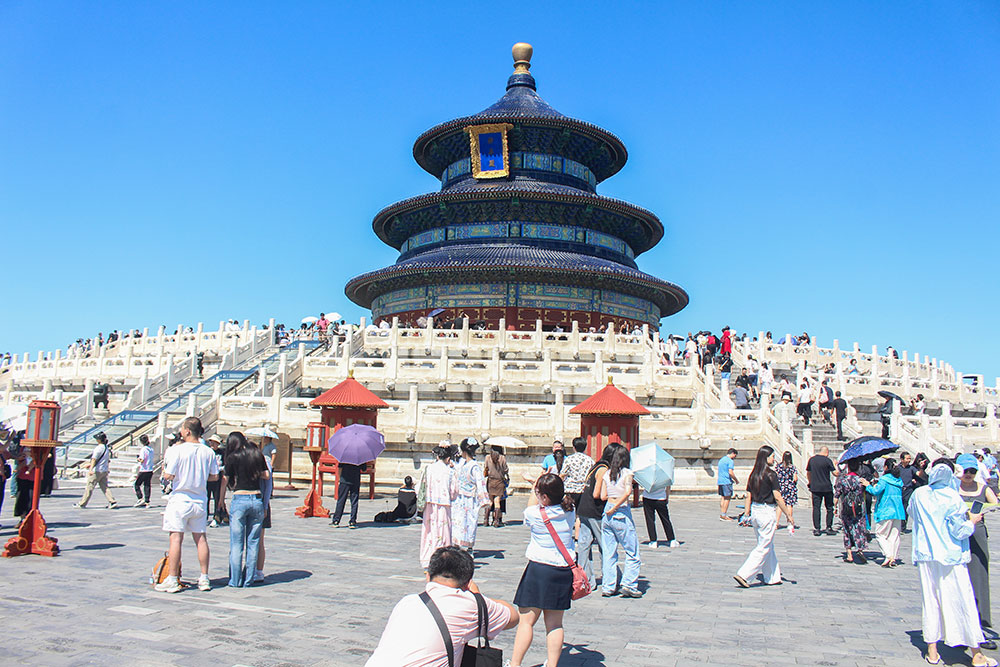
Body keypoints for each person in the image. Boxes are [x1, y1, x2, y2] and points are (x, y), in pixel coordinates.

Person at [366, 546, 517, 667]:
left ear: (428, 576)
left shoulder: (407, 601)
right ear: (467, 582)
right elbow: (513, 616)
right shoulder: (468, 605)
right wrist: (477, 596)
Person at [909, 461, 995, 666]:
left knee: (930, 601)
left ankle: (932, 652)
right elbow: (960, 531)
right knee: (962, 600)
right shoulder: (953, 498)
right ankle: (977, 654)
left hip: (926, 555)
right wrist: (972, 521)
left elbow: (912, 514)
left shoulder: (919, 494)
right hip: (951, 556)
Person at [509, 473, 577, 667]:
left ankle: (515, 664)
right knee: (555, 624)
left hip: (539, 570)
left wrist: (533, 486)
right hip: (562, 571)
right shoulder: (570, 510)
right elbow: (557, 499)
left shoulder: (535, 514)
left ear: (544, 497)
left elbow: (530, 507)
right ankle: (552, 665)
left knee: (527, 621)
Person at [155, 417, 219, 594]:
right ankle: (204, 577)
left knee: (176, 538)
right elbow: (214, 476)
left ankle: (173, 579)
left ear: (188, 431)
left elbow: (168, 475)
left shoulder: (178, 450)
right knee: (201, 539)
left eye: (183, 429)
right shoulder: (208, 452)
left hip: (181, 498)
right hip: (200, 500)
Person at [734, 445, 794, 587]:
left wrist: (747, 513)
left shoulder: (754, 474)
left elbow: (748, 495)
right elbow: (778, 497)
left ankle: (772, 577)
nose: (774, 459)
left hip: (756, 511)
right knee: (763, 546)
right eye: (772, 456)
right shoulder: (770, 474)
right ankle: (744, 574)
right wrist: (788, 514)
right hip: (767, 512)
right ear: (766, 458)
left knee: (768, 545)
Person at [957, 453, 999, 640]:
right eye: (966, 471)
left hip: (977, 533)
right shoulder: (952, 488)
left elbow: (995, 503)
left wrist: (981, 510)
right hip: (957, 534)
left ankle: (981, 618)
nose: (969, 475)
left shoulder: (983, 488)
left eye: (973, 471)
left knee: (979, 574)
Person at [223, 432, 269, 588]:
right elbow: (266, 475)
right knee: (253, 543)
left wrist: (220, 502)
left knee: (236, 544)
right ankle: (249, 579)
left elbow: (226, 479)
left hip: (240, 498)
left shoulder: (232, 457)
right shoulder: (256, 454)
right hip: (256, 499)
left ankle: (234, 580)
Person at [599, 443, 642, 598]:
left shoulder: (607, 474)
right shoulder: (627, 473)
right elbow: (627, 492)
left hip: (607, 512)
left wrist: (610, 506)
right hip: (620, 511)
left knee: (609, 552)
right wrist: (616, 506)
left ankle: (608, 586)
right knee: (632, 551)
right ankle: (629, 584)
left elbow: (603, 496)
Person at [576, 447, 612, 591]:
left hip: (583, 509)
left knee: (584, 545)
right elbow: (598, 494)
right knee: (605, 546)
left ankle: (585, 580)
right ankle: (609, 578)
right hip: (594, 511)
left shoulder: (596, 466)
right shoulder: (603, 469)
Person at [419, 445, 459, 570]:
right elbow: (454, 492)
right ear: (448, 458)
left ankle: (427, 558)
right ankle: (443, 559)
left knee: (429, 531)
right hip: (443, 505)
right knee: (444, 532)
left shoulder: (428, 468)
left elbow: (421, 487)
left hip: (430, 505)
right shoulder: (450, 471)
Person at [864, 457, 906, 567]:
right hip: (898, 511)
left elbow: (876, 491)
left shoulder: (885, 479)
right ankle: (893, 557)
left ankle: (888, 555)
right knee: (894, 535)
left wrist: (867, 485)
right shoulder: (899, 481)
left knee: (880, 534)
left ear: (886, 467)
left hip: (886, 510)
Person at [451, 438, 488, 553]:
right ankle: (457, 546)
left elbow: (480, 483)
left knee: (469, 524)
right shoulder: (462, 464)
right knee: (458, 523)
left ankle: (468, 548)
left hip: (469, 500)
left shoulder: (474, 466)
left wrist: (483, 499)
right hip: (459, 500)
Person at [835, 458, 869, 563]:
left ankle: (849, 554)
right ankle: (860, 549)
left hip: (846, 506)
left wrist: (835, 507)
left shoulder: (843, 480)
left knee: (846, 529)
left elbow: (837, 494)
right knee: (859, 527)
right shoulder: (861, 480)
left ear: (848, 467)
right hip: (859, 507)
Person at [75, 431, 118, 509]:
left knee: (89, 487)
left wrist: (90, 469)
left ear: (98, 440)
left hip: (97, 471)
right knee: (105, 487)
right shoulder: (106, 448)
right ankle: (112, 501)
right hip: (104, 470)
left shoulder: (98, 448)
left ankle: (82, 503)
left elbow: (94, 459)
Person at [807, 446, 838, 536]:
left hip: (815, 487)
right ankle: (829, 527)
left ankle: (817, 528)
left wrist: (810, 482)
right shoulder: (827, 460)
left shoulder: (812, 460)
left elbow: (808, 472)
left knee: (816, 507)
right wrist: (835, 465)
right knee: (829, 507)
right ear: (827, 452)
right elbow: (835, 473)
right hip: (826, 487)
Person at [640, 479, 677, 549]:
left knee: (650, 520)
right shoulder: (665, 473)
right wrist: (667, 496)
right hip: (661, 497)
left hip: (648, 497)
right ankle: (671, 540)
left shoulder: (647, 472)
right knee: (665, 519)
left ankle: (653, 541)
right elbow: (668, 486)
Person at [560, 437, 594, 509]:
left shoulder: (569, 459)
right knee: (579, 513)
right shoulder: (590, 460)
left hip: (570, 488)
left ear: (574, 447)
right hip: (583, 489)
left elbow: (563, 474)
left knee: (569, 510)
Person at [331, 460, 366, 528]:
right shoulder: (360, 457)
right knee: (354, 501)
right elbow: (364, 469)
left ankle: (336, 520)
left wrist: (339, 478)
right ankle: (352, 521)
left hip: (344, 480)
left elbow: (340, 468)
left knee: (341, 500)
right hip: (355, 480)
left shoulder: (345, 457)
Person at [483, 445, 508, 527]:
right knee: (497, 501)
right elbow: (505, 470)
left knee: (490, 501)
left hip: (490, 481)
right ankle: (496, 521)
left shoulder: (487, 457)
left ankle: (486, 520)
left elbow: (485, 468)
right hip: (499, 482)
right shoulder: (502, 458)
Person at [774, 451, 798, 529]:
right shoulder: (792, 467)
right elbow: (795, 478)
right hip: (790, 487)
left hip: (781, 487)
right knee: (789, 504)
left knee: (780, 505)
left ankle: (776, 523)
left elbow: (776, 475)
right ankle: (790, 522)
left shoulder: (779, 466)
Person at [134, 434, 155, 507]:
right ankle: (147, 501)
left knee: (137, 484)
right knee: (147, 485)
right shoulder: (151, 449)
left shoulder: (143, 449)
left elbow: (142, 460)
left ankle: (140, 498)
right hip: (150, 469)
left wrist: (138, 459)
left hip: (144, 470)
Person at [717, 448, 738, 521]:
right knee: (727, 498)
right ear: (733, 453)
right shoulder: (730, 461)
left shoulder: (722, 460)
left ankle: (722, 513)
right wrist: (736, 480)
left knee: (723, 497)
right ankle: (724, 515)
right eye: (735, 455)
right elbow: (730, 472)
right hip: (726, 481)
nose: (735, 457)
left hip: (720, 481)